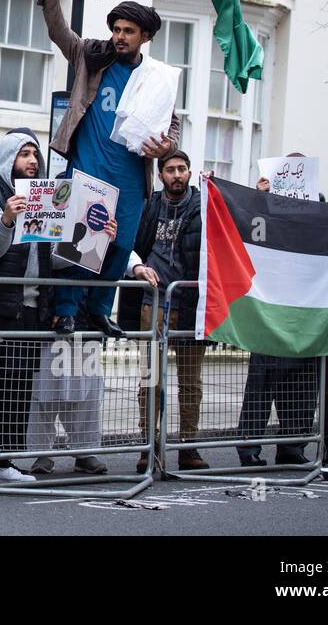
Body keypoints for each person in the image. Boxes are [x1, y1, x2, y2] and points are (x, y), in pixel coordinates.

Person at [36, 0, 180, 337]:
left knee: (120, 247)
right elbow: (59, 32)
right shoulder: (92, 56)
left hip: (131, 175)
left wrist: (165, 146)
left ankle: (100, 309)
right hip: (89, 167)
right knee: (81, 243)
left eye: (128, 31)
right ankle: (66, 311)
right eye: (116, 28)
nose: (119, 36)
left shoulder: (156, 77)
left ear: (144, 36)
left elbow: (172, 123)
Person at [123, 151, 208, 471]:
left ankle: (189, 447)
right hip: (153, 304)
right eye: (170, 170)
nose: (177, 175)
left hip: (190, 304)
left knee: (191, 383)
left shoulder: (203, 207)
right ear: (160, 175)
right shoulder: (149, 206)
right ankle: (149, 447)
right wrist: (139, 267)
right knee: (151, 382)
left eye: (182, 169)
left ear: (189, 172)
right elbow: (131, 243)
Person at [0, 131, 54, 483]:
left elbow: (52, 256)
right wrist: (7, 218)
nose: (32, 162)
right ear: (9, 157)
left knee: (19, 388)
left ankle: (3, 462)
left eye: (35, 155)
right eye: (25, 154)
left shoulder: (44, 197)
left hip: (31, 307)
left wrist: (95, 240)